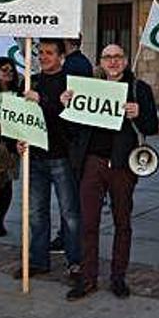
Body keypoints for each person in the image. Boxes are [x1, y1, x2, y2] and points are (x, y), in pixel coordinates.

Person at [65, 44, 158, 300]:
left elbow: (151, 126)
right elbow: (73, 124)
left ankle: (118, 277)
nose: (113, 62)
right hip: (93, 162)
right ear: (101, 62)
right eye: (108, 57)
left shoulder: (140, 89)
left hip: (123, 164)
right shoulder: (88, 87)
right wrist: (68, 104)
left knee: (122, 222)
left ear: (126, 61)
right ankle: (88, 277)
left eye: (118, 57)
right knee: (88, 223)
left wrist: (139, 114)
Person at [14, 38, 82, 287]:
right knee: (36, 213)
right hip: (35, 156)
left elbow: (69, 120)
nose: (43, 57)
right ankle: (38, 260)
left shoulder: (69, 83)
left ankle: (75, 261)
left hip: (61, 156)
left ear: (61, 56)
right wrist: (18, 141)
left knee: (70, 214)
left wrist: (42, 101)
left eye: (49, 53)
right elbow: (19, 117)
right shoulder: (31, 81)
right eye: (40, 52)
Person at [52, 35, 93, 253]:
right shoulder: (82, 62)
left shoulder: (73, 65)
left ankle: (68, 238)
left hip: (73, 137)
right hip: (78, 135)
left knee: (69, 194)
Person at [0, 57, 21, 237]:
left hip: (10, 145)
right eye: (3, 70)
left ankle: (0, 220)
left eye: (11, 70)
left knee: (6, 186)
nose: (8, 73)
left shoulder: (18, 92)